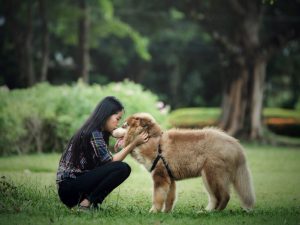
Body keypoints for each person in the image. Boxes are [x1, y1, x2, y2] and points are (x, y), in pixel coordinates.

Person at [56, 96, 148, 211]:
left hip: (75, 187)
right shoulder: (94, 133)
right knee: (122, 168)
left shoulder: (96, 130)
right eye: (117, 118)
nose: (118, 123)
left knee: (119, 168)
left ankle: (88, 202)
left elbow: (105, 164)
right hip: (69, 188)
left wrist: (123, 135)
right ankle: (86, 204)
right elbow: (112, 162)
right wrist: (134, 143)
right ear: (106, 115)